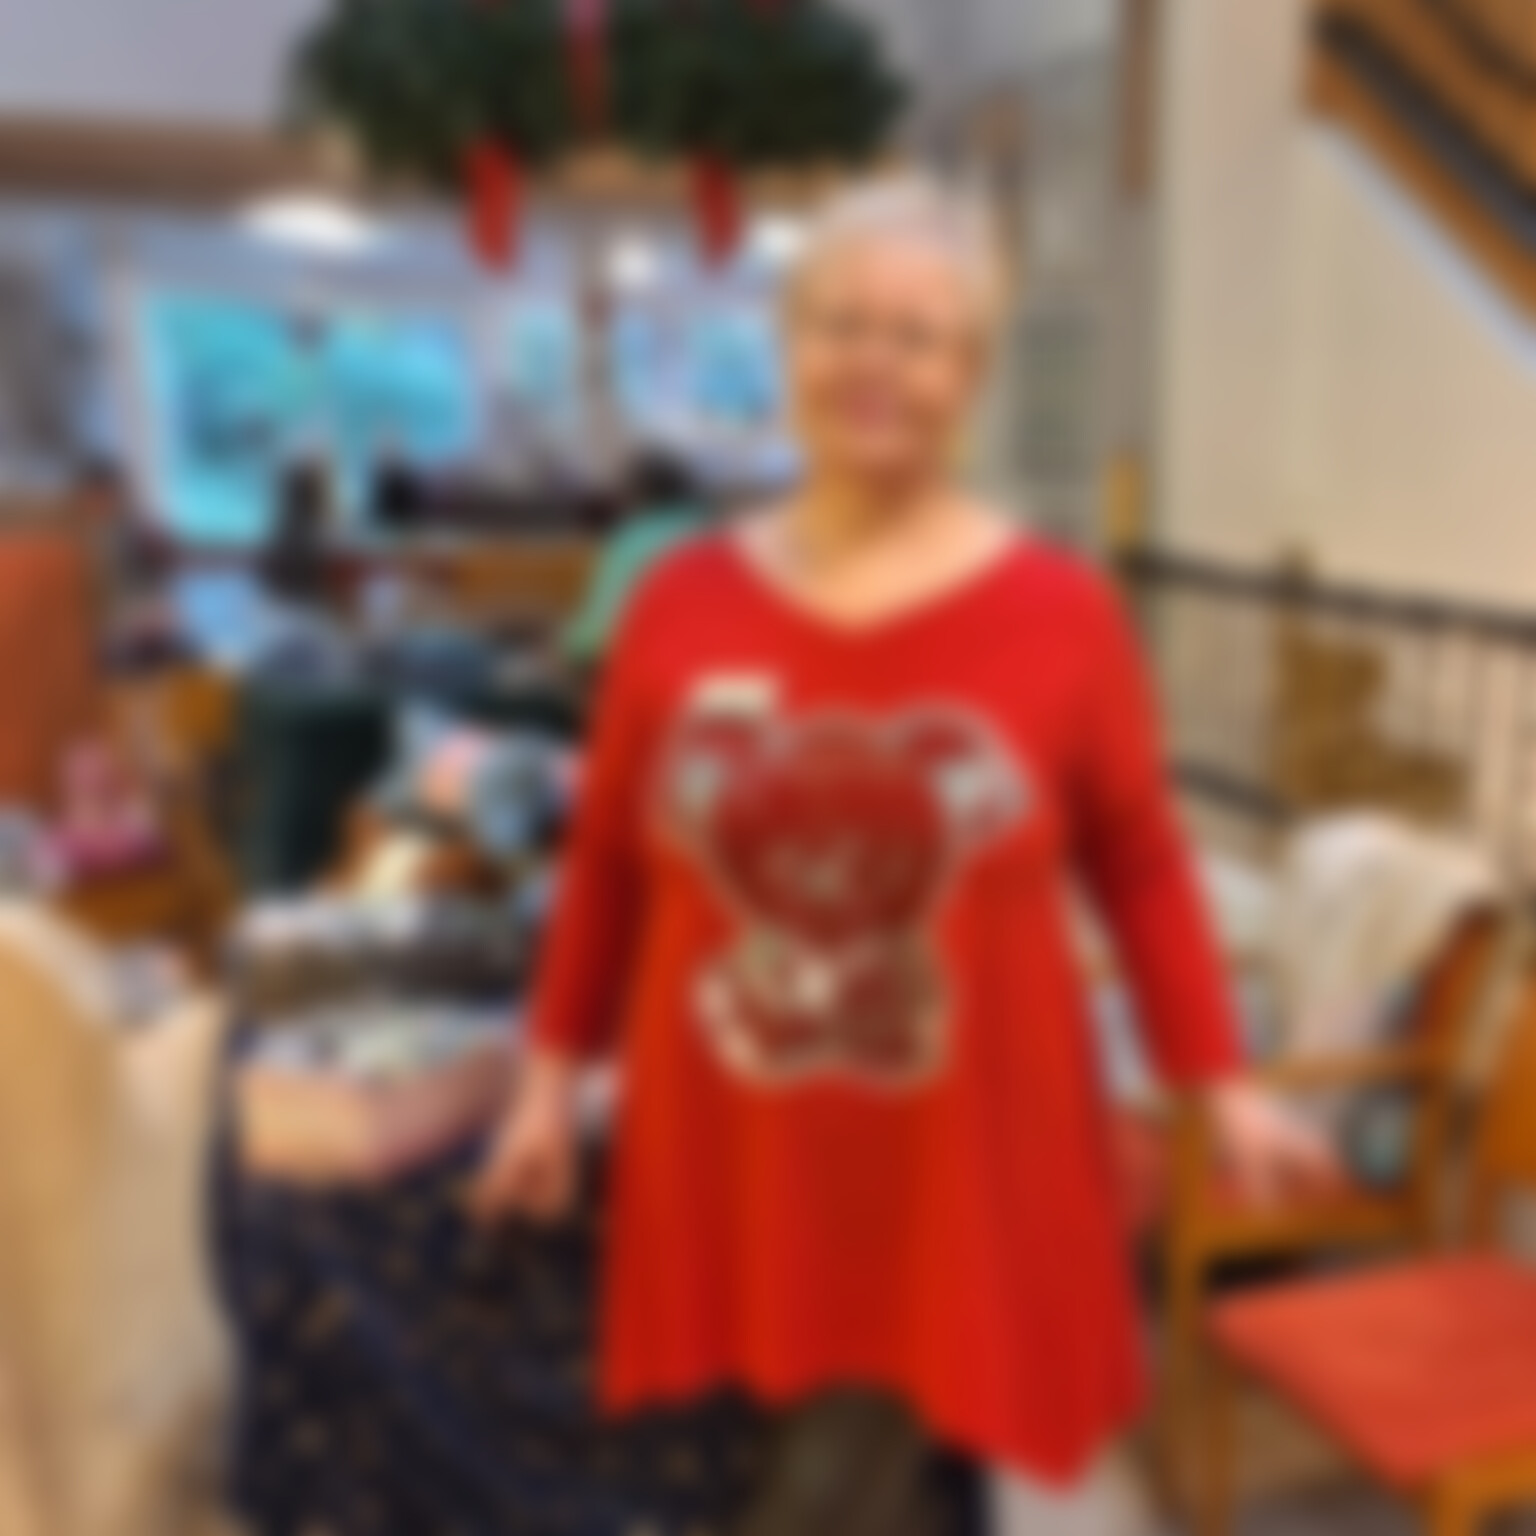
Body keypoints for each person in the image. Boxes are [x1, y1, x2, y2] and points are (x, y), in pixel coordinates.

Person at [469, 176, 1334, 1523]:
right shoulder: (677, 603)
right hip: (737, 1142)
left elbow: (1143, 863)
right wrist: (545, 1082)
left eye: (917, 336)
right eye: (841, 323)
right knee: (786, 1460)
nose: (873, 363)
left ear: (970, 373)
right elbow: (605, 864)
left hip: (958, 1152)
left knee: (857, 1474)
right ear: (788, 342)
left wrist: (1220, 1086)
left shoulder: (1064, 615)